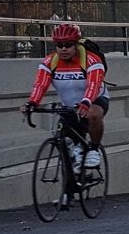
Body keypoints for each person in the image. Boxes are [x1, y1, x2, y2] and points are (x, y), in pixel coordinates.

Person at [20, 23, 109, 171]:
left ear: (76, 45)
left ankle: (94, 149)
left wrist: (86, 101)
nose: (63, 48)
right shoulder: (49, 62)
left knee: (94, 114)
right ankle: (69, 189)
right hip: (69, 105)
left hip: (94, 98)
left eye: (68, 45)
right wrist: (32, 103)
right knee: (65, 140)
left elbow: (93, 84)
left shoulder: (91, 60)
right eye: (59, 45)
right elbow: (40, 84)